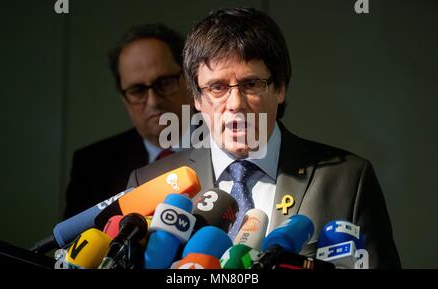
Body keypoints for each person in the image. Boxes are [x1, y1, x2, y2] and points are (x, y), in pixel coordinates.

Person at [126, 8, 401, 268]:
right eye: (217, 87)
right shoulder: (148, 184)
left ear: (280, 88)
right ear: (197, 98)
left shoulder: (348, 179)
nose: (235, 103)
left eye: (251, 84)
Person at [63, 24, 193, 219]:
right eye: (138, 90)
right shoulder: (92, 166)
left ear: (188, 80)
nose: (153, 101)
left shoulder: (228, 144)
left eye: (164, 83)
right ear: (124, 98)